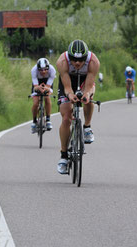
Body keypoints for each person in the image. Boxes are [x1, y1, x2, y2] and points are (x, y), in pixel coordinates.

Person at [56, 40, 100, 174]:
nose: (77, 63)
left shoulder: (93, 62)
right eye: (74, 59)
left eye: (81, 60)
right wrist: (69, 95)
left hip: (85, 80)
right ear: (69, 56)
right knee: (66, 118)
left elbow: (89, 84)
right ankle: (63, 155)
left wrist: (86, 94)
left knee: (88, 98)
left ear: (86, 57)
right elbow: (67, 87)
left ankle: (87, 127)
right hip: (68, 80)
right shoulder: (62, 61)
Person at [30, 58, 56, 133]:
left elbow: (48, 85)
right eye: (41, 70)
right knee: (35, 103)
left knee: (47, 98)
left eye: (45, 69)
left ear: (48, 67)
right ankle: (34, 121)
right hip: (37, 82)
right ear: (38, 69)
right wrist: (38, 88)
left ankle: (48, 120)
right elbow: (35, 85)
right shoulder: (33, 70)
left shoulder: (52, 70)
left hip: (47, 81)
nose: (43, 71)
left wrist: (46, 89)